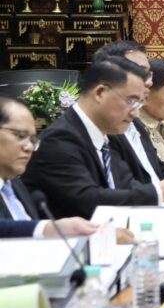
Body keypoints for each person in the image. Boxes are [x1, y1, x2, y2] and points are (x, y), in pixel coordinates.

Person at [22, 57, 164, 218]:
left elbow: (128, 185)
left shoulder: (105, 136)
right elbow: (87, 200)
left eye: (139, 104)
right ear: (100, 93)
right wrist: (158, 193)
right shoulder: (60, 139)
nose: (135, 113)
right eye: (131, 101)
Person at [93, 40, 164, 200]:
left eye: (148, 73)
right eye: (140, 72)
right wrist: (159, 194)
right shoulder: (102, 129)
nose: (149, 81)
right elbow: (118, 192)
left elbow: (159, 170)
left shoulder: (133, 122)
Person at [0, 97, 99, 238]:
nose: (28, 147)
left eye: (33, 140)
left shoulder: (16, 185)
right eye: (20, 136)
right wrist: (46, 228)